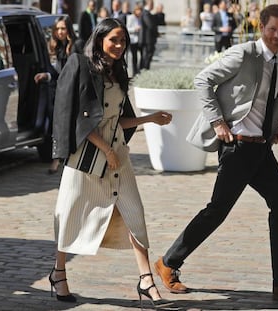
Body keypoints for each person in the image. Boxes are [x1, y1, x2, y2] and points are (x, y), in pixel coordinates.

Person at [154, 4, 278, 302]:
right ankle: (168, 263)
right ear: (261, 27)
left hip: (260, 149)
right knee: (217, 211)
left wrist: (272, 129)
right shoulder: (244, 53)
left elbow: (264, 100)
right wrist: (217, 121)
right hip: (237, 148)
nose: (277, 36)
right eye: (272, 30)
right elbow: (203, 79)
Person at [49, 18, 172, 309]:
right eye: (113, 40)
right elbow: (73, 115)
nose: (119, 46)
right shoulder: (80, 65)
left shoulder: (119, 71)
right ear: (100, 39)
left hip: (117, 154)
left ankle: (146, 281)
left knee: (134, 213)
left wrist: (149, 118)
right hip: (87, 155)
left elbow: (117, 119)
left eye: (123, 41)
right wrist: (104, 148)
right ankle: (59, 272)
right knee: (69, 214)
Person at [34, 16, 83, 174]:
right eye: (58, 29)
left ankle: (65, 159)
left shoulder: (76, 45)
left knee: (72, 127)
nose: (60, 32)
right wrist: (46, 76)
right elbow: (58, 73)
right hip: (61, 93)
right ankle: (58, 159)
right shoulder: (59, 48)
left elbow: (79, 71)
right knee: (60, 127)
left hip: (74, 93)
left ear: (69, 29)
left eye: (63, 28)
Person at [139, 0, 158, 70]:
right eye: (152, 4)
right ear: (148, 4)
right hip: (147, 40)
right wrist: (156, 33)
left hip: (149, 40)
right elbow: (151, 25)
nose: (153, 5)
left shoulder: (148, 13)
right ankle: (143, 72)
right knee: (146, 57)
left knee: (147, 57)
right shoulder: (146, 13)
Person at [126, 4, 142, 75]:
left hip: (139, 39)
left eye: (140, 10)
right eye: (138, 10)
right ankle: (134, 72)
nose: (139, 12)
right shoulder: (131, 17)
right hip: (133, 40)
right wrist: (135, 29)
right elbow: (127, 28)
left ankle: (139, 70)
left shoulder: (140, 18)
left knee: (140, 56)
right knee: (134, 57)